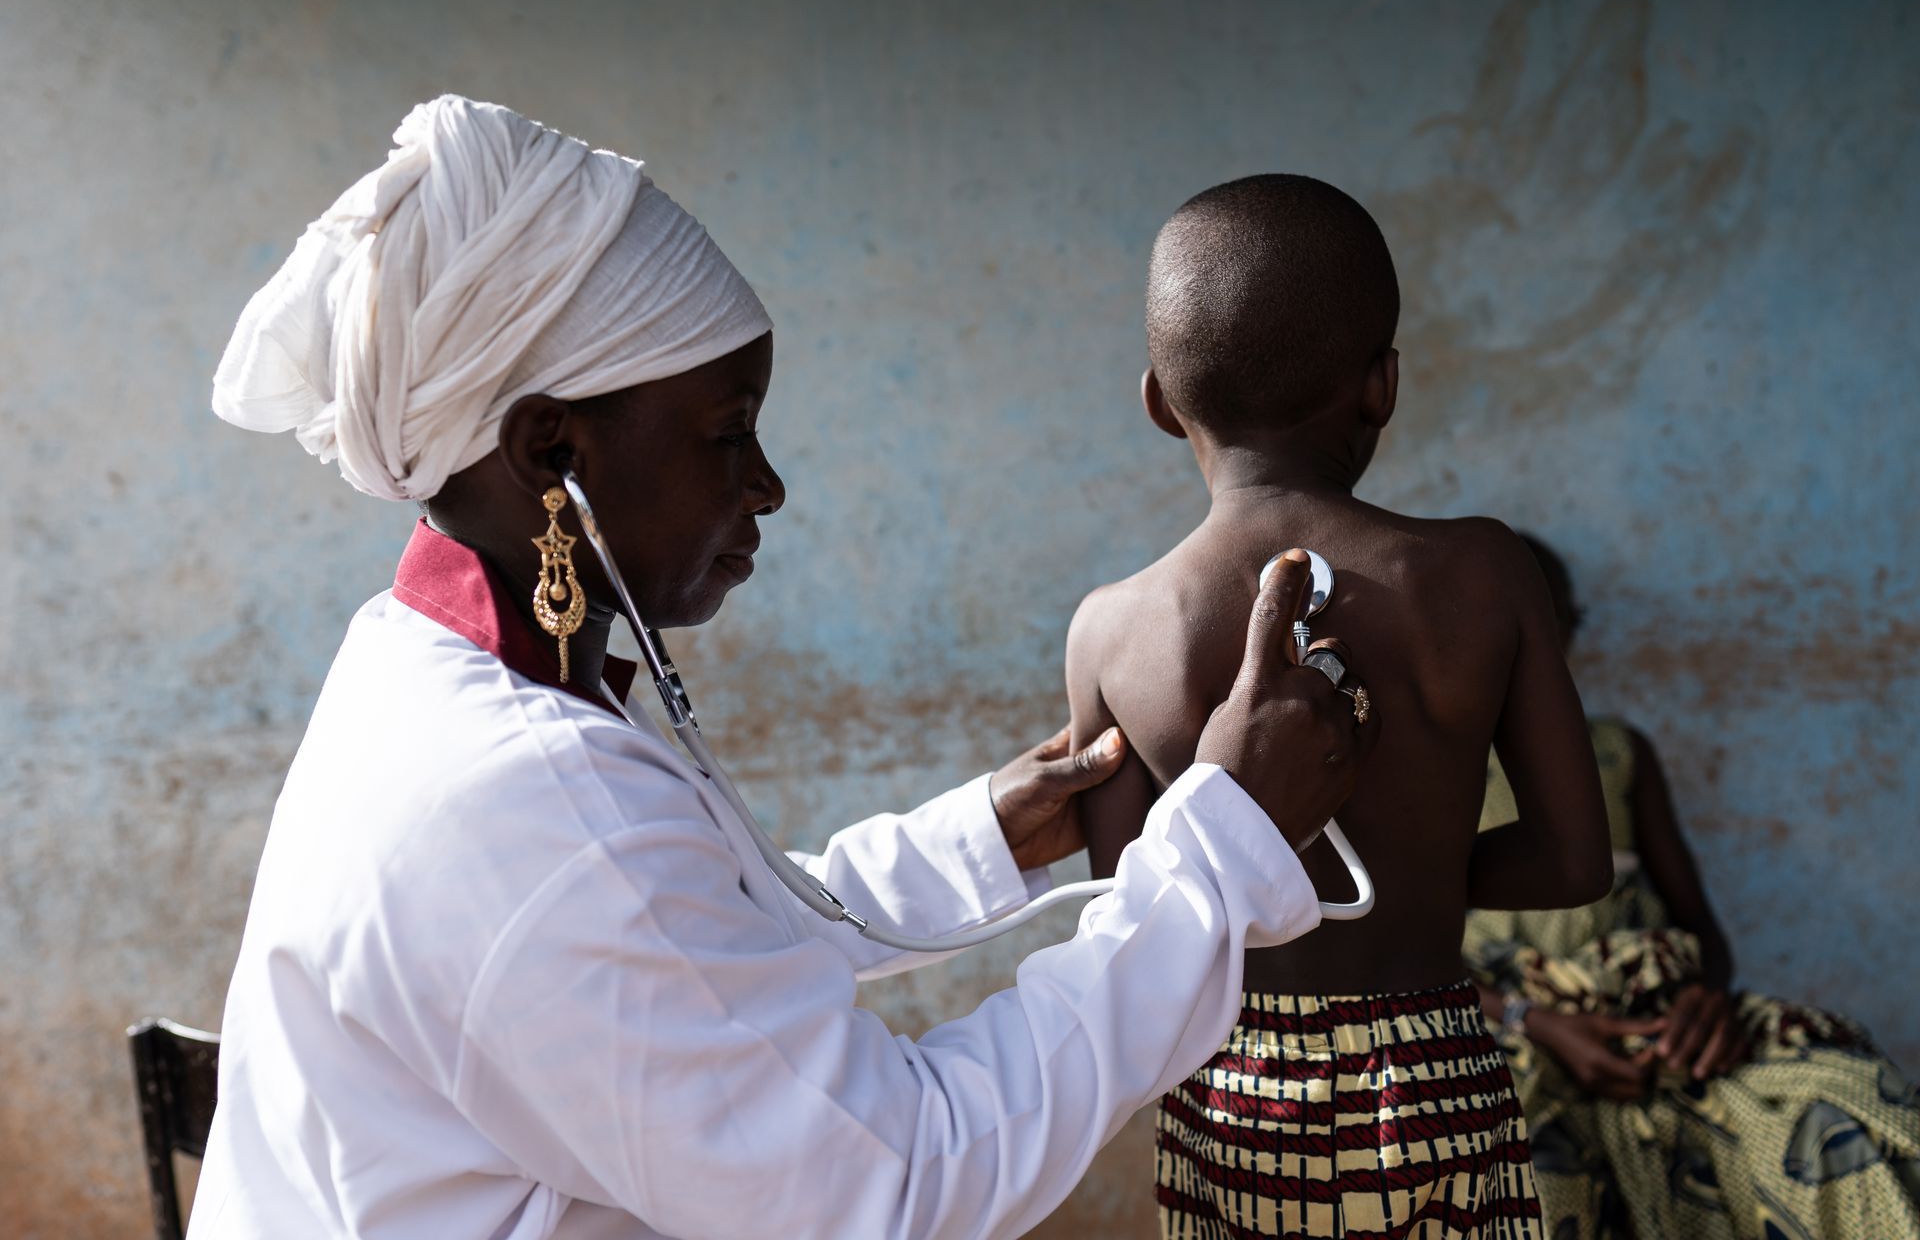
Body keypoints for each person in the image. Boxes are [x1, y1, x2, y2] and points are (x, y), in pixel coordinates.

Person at [187, 96, 1382, 1240]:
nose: (767, 485)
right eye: (728, 432)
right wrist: (1218, 851)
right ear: (552, 450)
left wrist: (979, 840)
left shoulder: (417, 662)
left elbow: (686, 939)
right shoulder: (528, 799)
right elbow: (901, 1175)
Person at [1064, 174, 1615, 1239]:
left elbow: (1135, 916)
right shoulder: (1484, 573)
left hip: (1235, 1099)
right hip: (1438, 1085)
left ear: (1159, 401)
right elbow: (1574, 861)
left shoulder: (1111, 630)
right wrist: (1419, 872)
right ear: (1383, 386)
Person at [1466, 533, 1920, 1240]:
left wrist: (1701, 1004)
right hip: (1503, 1033)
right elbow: (1391, 952)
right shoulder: (1422, 772)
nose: (1523, 654)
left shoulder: (1616, 754)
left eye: (1545, 628)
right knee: (1526, 1177)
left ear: (1572, 634)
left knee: (1845, 1110)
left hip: (1655, 1029)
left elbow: (1700, 925)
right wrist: (1533, 1022)